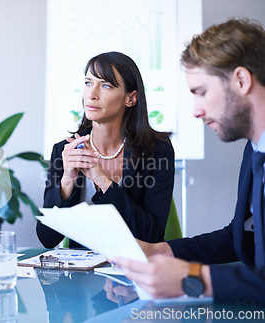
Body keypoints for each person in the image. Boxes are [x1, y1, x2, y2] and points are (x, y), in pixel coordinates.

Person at [114, 18, 265, 304]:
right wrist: (159, 252)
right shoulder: (255, 150)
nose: (196, 111)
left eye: (202, 92)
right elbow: (240, 235)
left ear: (241, 80)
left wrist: (193, 278)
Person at [37, 51, 175, 248]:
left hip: (132, 270)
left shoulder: (158, 150)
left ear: (131, 98)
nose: (91, 95)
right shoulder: (66, 150)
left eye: (106, 85)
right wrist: (67, 180)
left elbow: (151, 235)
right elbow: (47, 239)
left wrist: (103, 181)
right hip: (81, 273)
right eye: (88, 83)